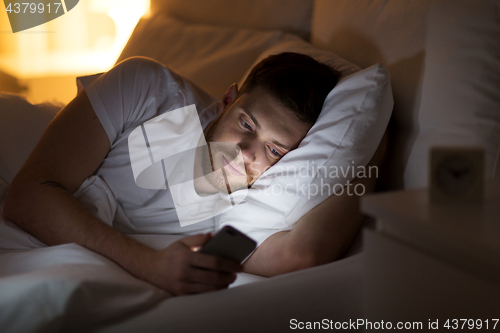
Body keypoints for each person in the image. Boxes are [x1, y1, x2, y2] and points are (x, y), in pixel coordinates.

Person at [3, 53, 385, 296]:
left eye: (274, 149)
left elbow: (304, 254)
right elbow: (28, 194)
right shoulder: (148, 88)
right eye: (247, 123)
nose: (245, 153)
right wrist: (148, 265)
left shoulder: (250, 206)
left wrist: (373, 146)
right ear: (228, 100)